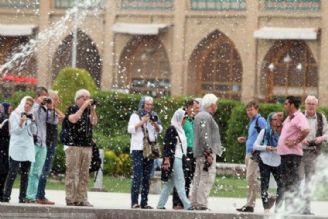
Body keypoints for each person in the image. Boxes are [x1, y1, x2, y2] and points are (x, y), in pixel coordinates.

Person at [62, 89, 97, 207]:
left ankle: (82, 198)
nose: (87, 100)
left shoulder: (88, 111)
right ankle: (70, 198)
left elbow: (94, 122)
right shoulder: (72, 108)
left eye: (88, 98)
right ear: (78, 99)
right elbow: (73, 119)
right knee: (72, 172)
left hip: (86, 146)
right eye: (84, 97)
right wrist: (83, 108)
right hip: (73, 146)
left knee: (84, 173)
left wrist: (92, 108)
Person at [128, 96, 163, 209]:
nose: (149, 106)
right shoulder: (135, 115)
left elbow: (160, 130)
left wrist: (155, 124)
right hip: (138, 149)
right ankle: (134, 202)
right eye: (147, 104)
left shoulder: (154, 115)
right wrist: (142, 121)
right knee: (137, 176)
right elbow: (130, 129)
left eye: (151, 104)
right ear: (142, 104)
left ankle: (144, 202)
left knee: (147, 177)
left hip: (150, 150)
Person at [277, 96, 310, 213]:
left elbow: (306, 130)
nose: (284, 106)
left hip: (292, 154)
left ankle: (293, 207)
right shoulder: (289, 118)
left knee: (291, 180)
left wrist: (295, 141)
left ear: (292, 105)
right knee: (287, 180)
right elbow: (283, 133)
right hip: (285, 154)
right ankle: (290, 206)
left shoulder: (299, 117)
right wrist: (279, 122)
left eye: (286, 104)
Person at [191, 93, 223, 210]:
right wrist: (208, 153)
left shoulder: (200, 115)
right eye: (216, 103)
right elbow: (205, 136)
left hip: (200, 152)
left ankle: (195, 202)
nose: (217, 106)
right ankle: (201, 203)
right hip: (205, 153)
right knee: (206, 177)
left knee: (198, 177)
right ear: (212, 104)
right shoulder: (205, 116)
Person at [2, 96, 36, 203]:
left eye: (30, 105)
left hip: (27, 147)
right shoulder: (14, 114)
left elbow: (34, 132)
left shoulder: (31, 115)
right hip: (17, 146)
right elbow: (14, 132)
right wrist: (21, 122)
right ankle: (6, 196)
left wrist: (33, 121)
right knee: (12, 172)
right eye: (26, 103)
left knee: (25, 174)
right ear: (22, 103)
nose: (27, 106)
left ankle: (22, 197)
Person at [157, 108, 193, 210]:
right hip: (175, 159)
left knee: (169, 184)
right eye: (184, 118)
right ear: (179, 118)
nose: (185, 120)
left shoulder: (180, 129)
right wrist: (167, 159)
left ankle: (160, 205)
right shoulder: (172, 129)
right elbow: (167, 146)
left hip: (179, 158)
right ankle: (187, 204)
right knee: (180, 181)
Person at [299, 95, 328, 215]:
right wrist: (301, 139)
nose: (311, 106)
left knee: (309, 181)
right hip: (299, 152)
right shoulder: (298, 116)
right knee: (299, 180)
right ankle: (296, 206)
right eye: (309, 103)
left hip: (313, 153)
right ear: (305, 104)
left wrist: (321, 138)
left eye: (313, 104)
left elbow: (327, 133)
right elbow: (290, 132)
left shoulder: (321, 117)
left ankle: (306, 208)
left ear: (316, 105)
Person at [236, 101, 267, 213]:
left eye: (251, 109)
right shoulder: (252, 121)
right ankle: (250, 203)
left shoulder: (260, 120)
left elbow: (267, 134)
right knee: (251, 179)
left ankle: (253, 203)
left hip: (255, 154)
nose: (249, 112)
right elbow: (256, 136)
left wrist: (259, 148)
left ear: (257, 109)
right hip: (248, 153)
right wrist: (246, 139)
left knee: (251, 178)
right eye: (247, 110)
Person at [36, 90, 64, 205]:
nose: (58, 101)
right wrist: (50, 106)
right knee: (43, 170)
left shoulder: (52, 110)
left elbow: (63, 117)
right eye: (56, 99)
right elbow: (50, 121)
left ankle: (39, 194)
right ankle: (39, 195)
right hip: (46, 143)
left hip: (51, 143)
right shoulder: (45, 111)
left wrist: (53, 108)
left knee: (45, 170)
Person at [253, 112, 284, 213]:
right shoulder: (265, 131)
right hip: (265, 160)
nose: (276, 121)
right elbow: (255, 146)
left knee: (281, 184)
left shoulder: (282, 132)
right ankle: (266, 207)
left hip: (277, 161)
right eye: (274, 119)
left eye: (278, 119)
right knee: (264, 184)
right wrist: (266, 148)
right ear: (270, 121)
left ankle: (278, 208)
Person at [172, 99, 200, 209]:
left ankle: (185, 200)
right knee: (180, 176)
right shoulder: (182, 118)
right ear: (188, 107)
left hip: (193, 151)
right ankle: (177, 201)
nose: (195, 110)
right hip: (183, 151)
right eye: (194, 107)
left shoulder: (194, 120)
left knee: (188, 177)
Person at [25, 86, 49, 203]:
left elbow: (52, 121)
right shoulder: (32, 107)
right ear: (38, 96)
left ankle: (32, 196)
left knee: (37, 172)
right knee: (30, 170)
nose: (45, 99)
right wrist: (37, 104)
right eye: (43, 96)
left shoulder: (45, 109)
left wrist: (51, 107)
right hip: (33, 143)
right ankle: (27, 196)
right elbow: (31, 115)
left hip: (43, 144)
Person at [0, 103, 13, 201]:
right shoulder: (5, 119)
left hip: (6, 148)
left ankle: (1, 193)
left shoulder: (7, 119)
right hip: (3, 147)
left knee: (4, 171)